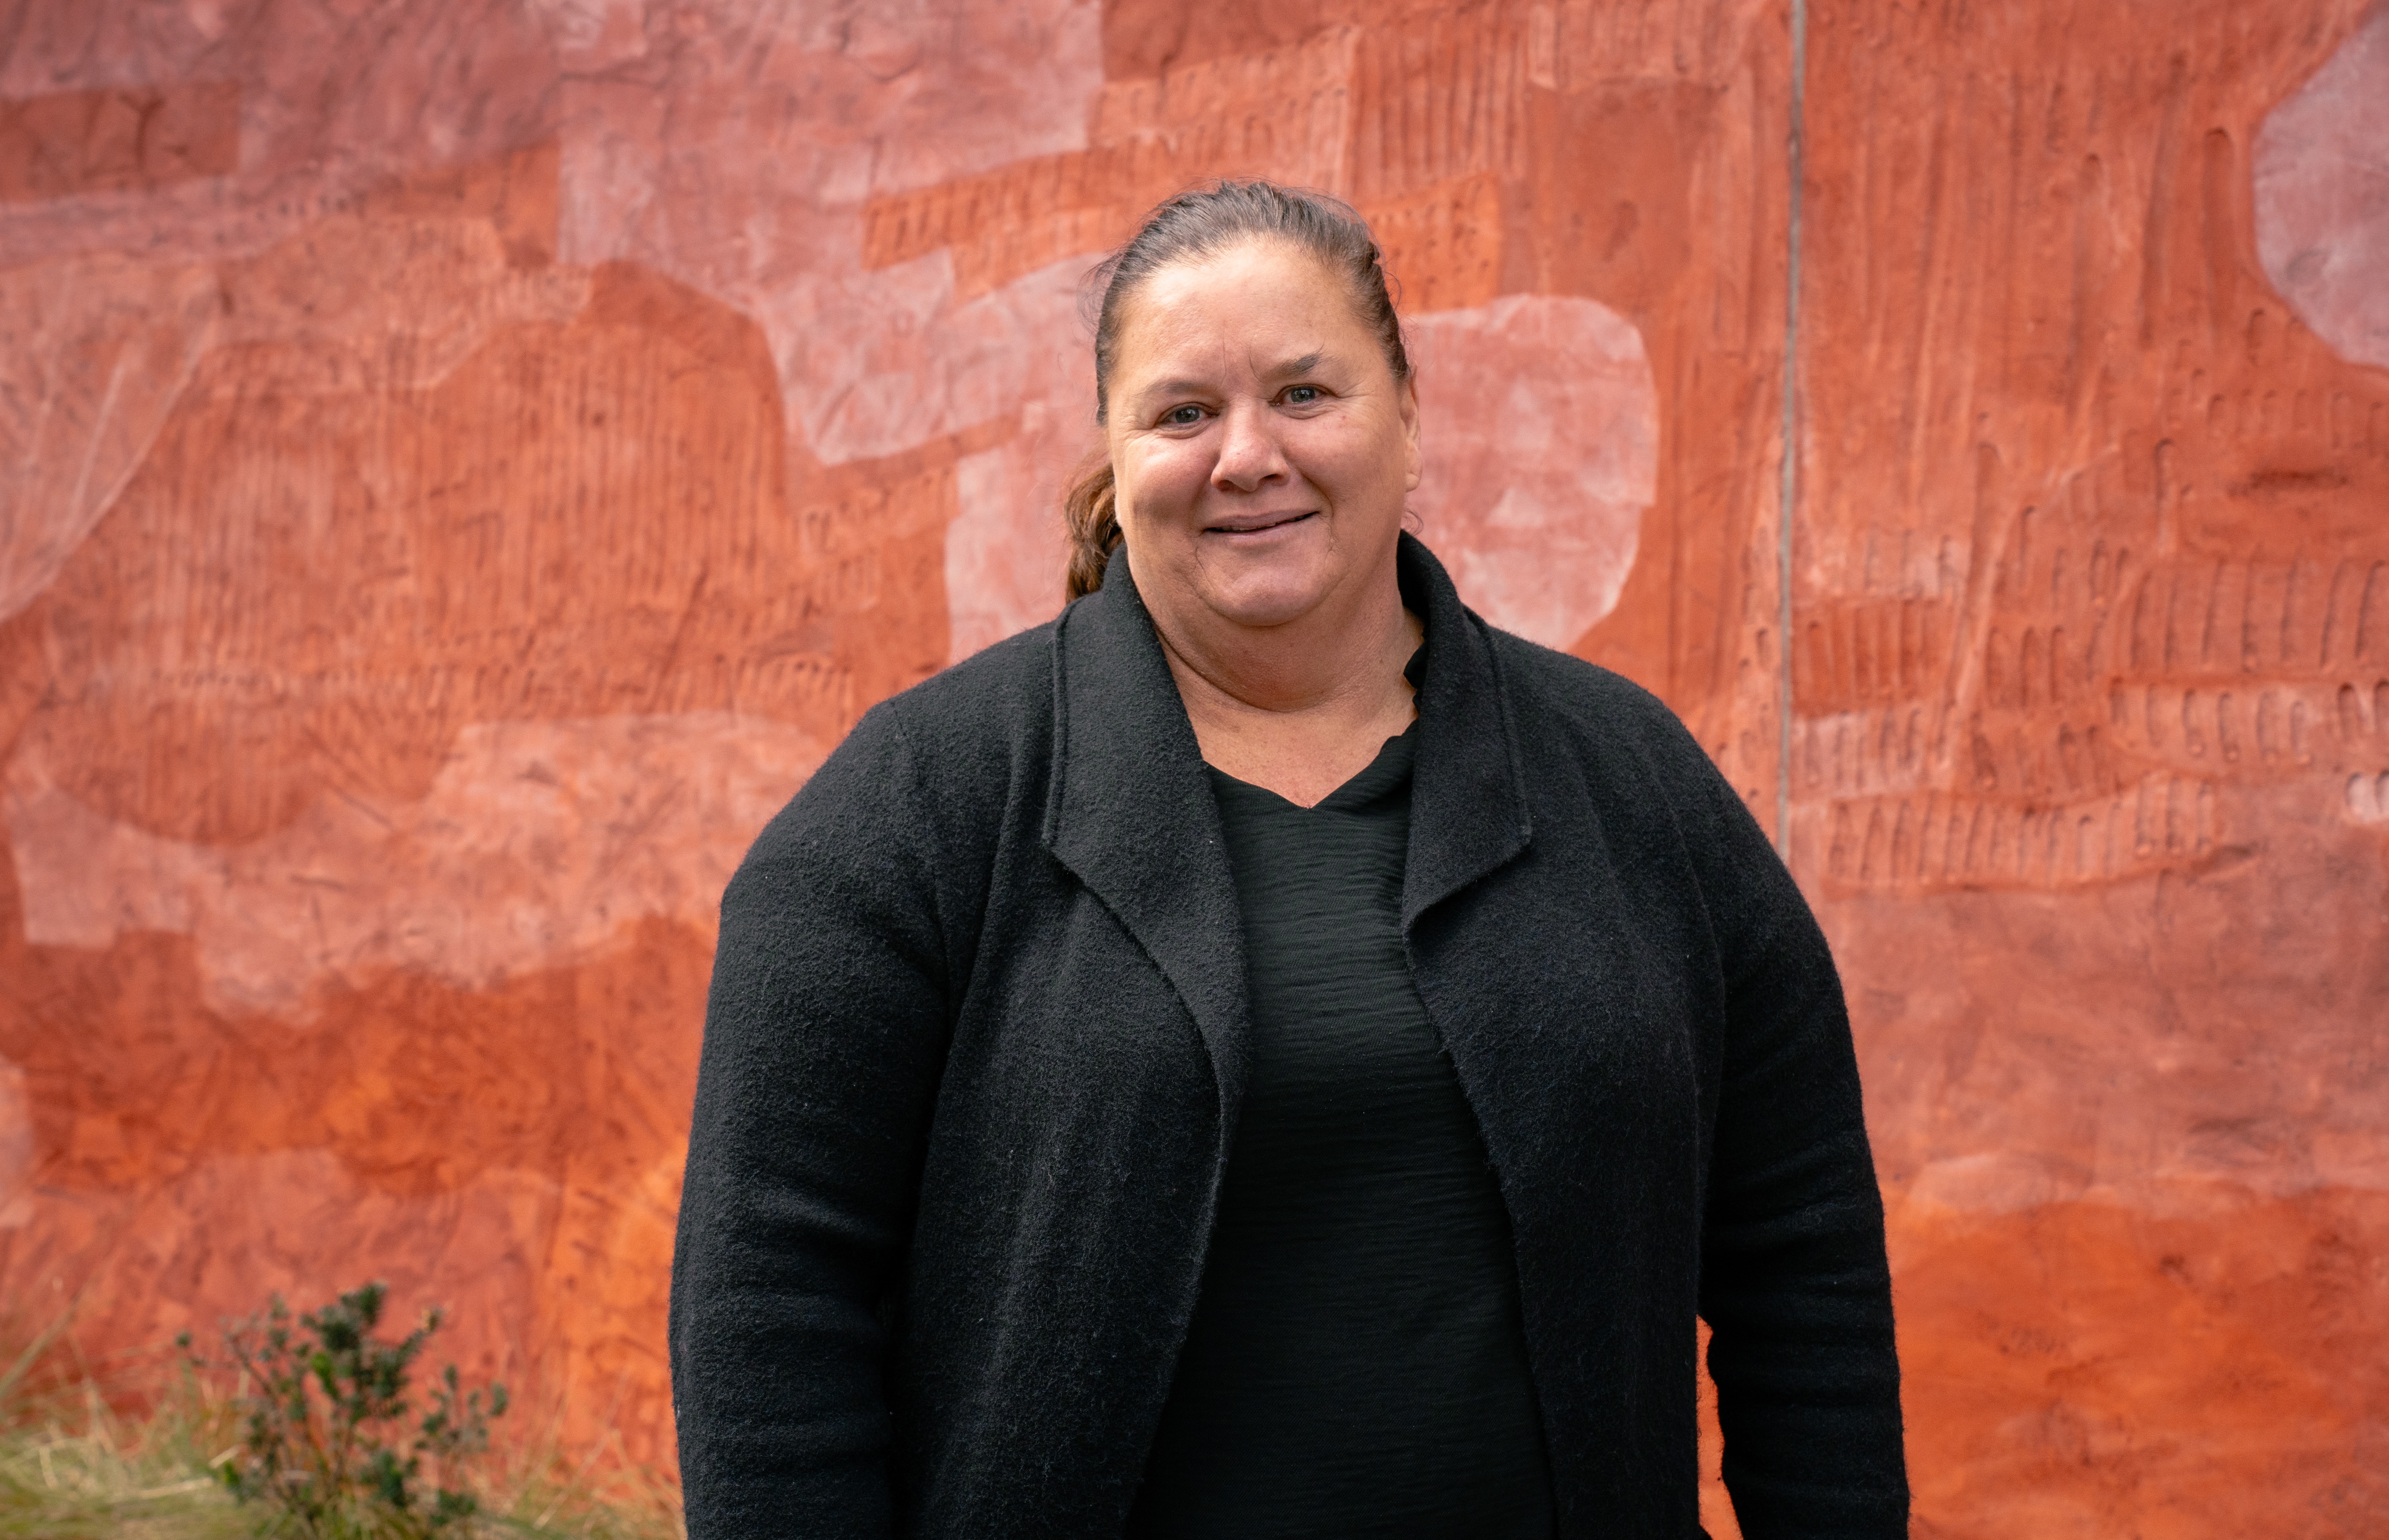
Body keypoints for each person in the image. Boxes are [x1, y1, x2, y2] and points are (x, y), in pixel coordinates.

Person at [669, 181, 1907, 1539]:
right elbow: (768, 1297)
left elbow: (1804, 1257)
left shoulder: (1634, 785)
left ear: (1411, 417)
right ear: (1114, 453)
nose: (1246, 456)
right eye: (1183, 412)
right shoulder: (915, 807)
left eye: (1306, 395)